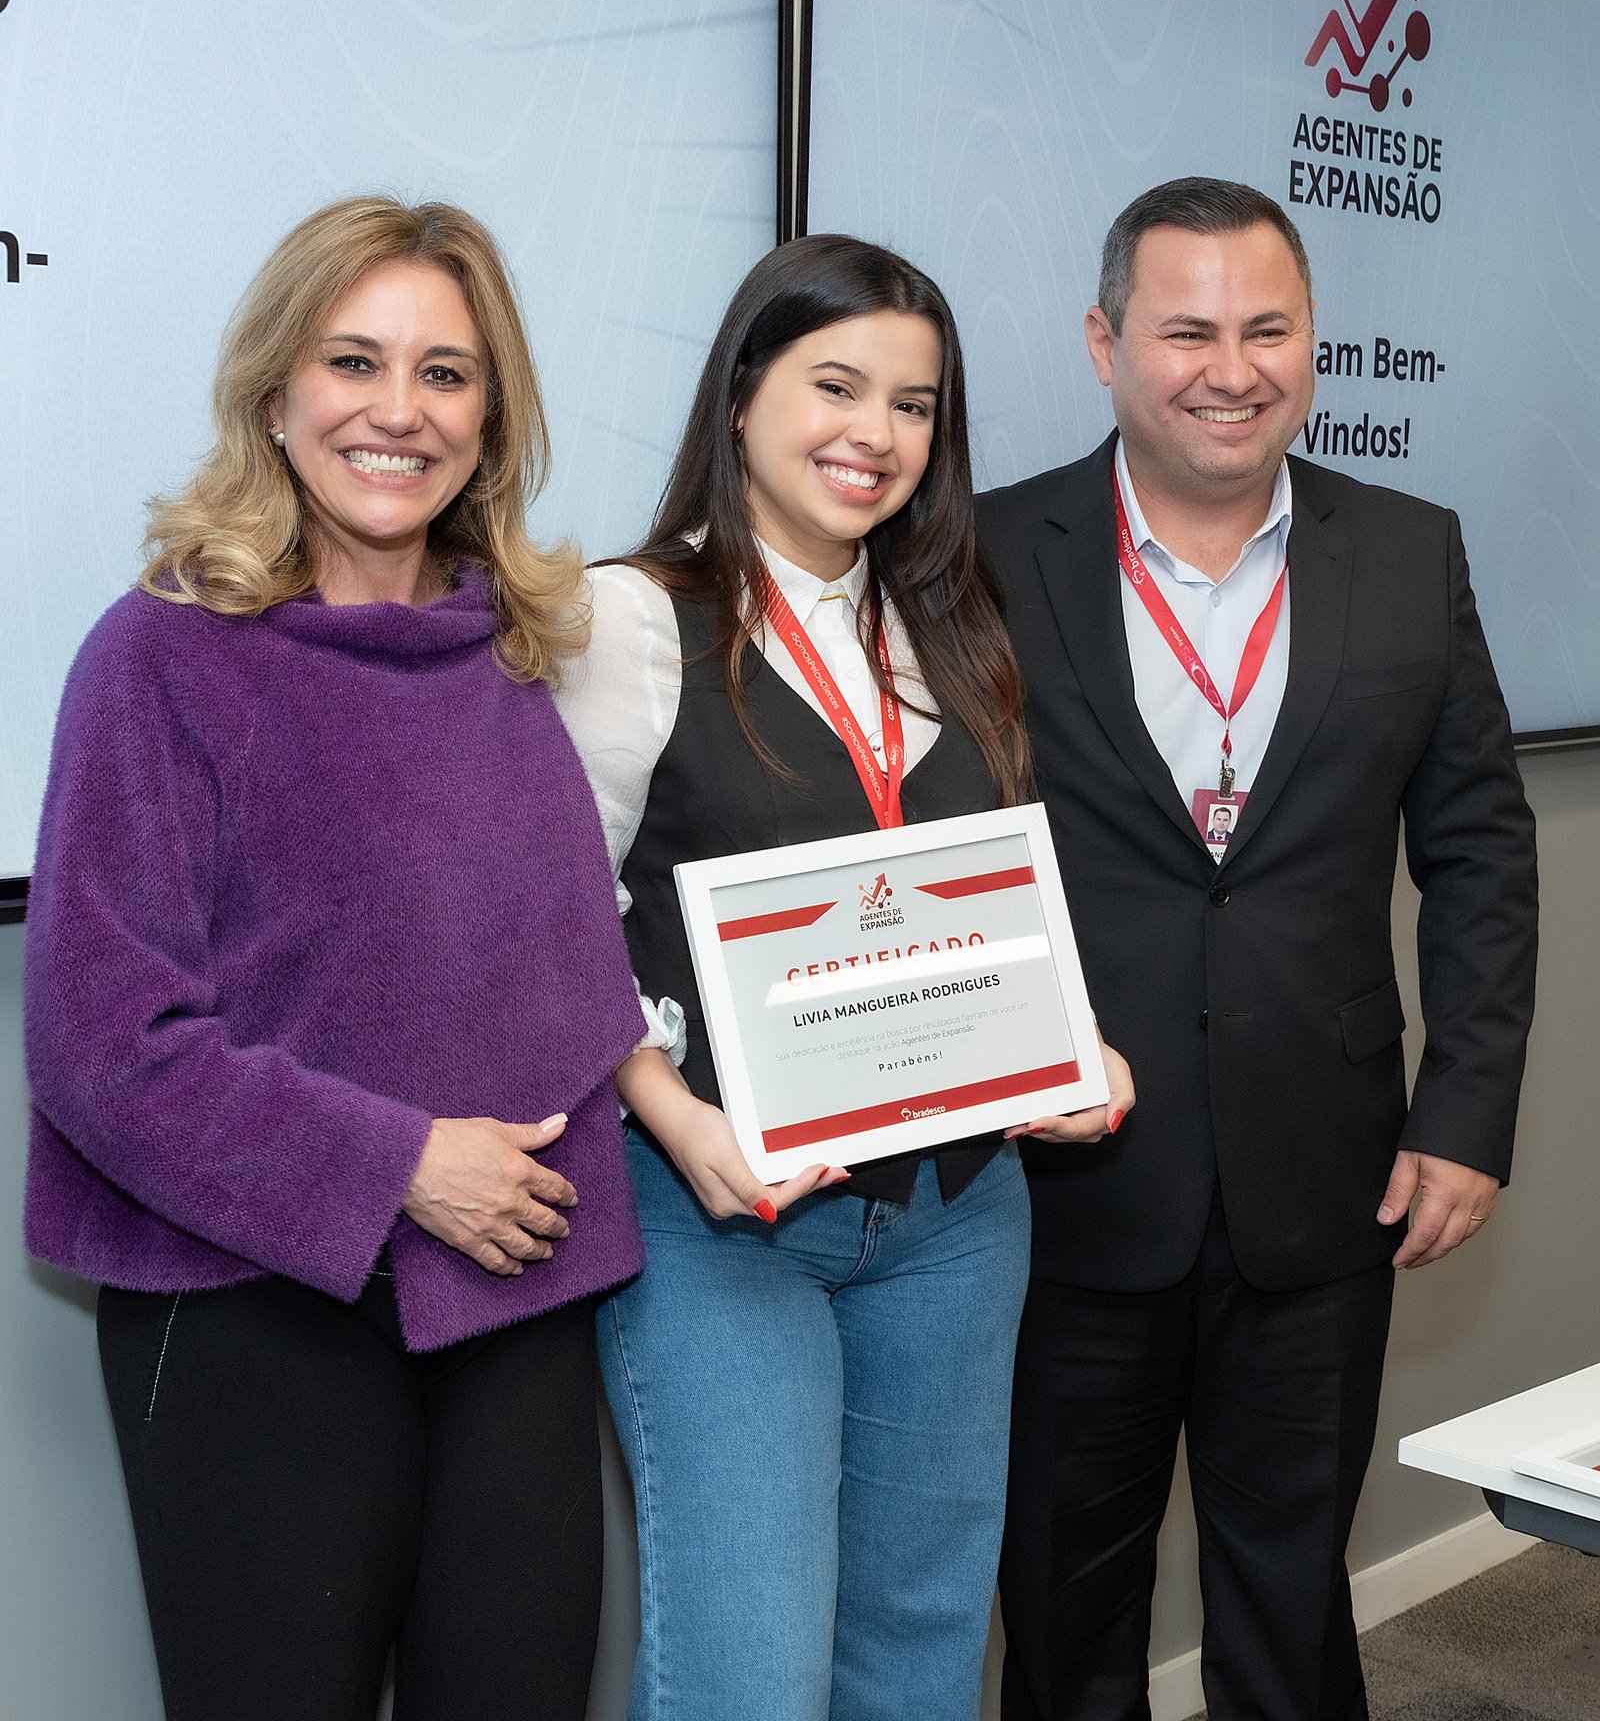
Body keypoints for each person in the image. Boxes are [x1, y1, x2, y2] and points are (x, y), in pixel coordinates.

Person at [23, 197, 647, 1721]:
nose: (397, 410)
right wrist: (400, 1164)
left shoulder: (510, 651)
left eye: (445, 373)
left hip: (512, 1300)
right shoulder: (157, 657)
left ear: (489, 421)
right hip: (253, 1313)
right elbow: (104, 1042)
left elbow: (568, 988)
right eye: (353, 361)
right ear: (274, 395)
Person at [554, 233, 1136, 1721]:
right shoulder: (629, 621)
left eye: (914, 404)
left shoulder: (955, 624)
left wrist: (1071, 1049)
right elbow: (555, 924)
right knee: (747, 1673)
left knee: (920, 1646)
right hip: (723, 1218)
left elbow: (991, 900)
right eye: (835, 385)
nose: (874, 433)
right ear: (744, 390)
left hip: (956, 1216)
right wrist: (674, 1120)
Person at [980, 178, 1538, 1721]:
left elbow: (1482, 848)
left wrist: (1469, 1112)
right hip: (1063, 1189)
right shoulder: (989, 551)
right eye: (1187, 332)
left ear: (1312, 341)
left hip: (1325, 1180)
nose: (1231, 369)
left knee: (1293, 1611)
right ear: (1105, 344)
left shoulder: (1409, 551)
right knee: (1064, 1618)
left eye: (1268, 329)